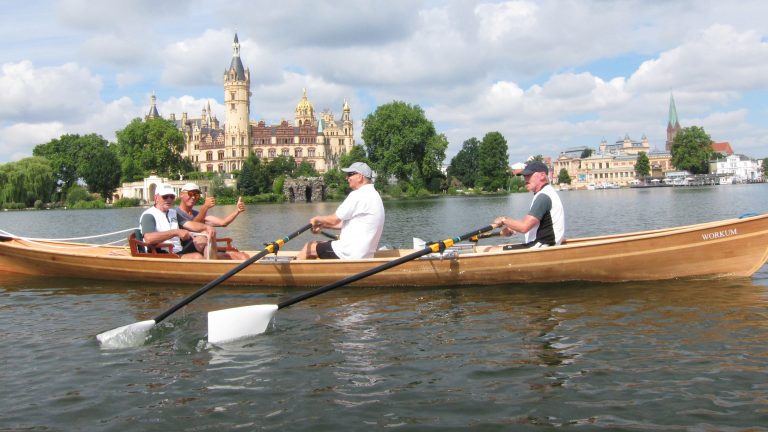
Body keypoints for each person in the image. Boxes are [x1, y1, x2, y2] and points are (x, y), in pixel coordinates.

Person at [297, 162, 385, 260]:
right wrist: (322, 225)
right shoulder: (374, 195)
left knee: (309, 247)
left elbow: (334, 220)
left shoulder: (358, 195)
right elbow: (343, 223)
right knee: (318, 247)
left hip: (349, 253)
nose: (346, 178)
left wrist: (317, 219)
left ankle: (291, 273)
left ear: (360, 176)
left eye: (349, 174)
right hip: (365, 254)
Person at [485, 160, 565, 251]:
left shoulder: (543, 196)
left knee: (490, 250)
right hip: (545, 245)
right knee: (491, 249)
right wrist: (513, 228)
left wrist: (503, 220)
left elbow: (524, 227)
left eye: (529, 175)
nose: (525, 179)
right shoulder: (547, 192)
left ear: (542, 175)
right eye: (524, 175)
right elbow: (534, 224)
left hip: (543, 247)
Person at [139, 183, 217, 259]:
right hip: (161, 253)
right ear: (156, 198)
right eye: (165, 197)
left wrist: (207, 227)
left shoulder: (173, 213)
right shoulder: (149, 215)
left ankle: (213, 265)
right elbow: (149, 238)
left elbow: (190, 224)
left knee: (205, 236)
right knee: (197, 257)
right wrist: (175, 232)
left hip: (178, 251)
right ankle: (210, 267)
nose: (169, 199)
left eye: (172, 197)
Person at [175, 182, 249, 260]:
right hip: (187, 251)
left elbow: (223, 223)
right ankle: (212, 264)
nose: (193, 197)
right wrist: (205, 207)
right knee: (205, 233)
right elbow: (194, 226)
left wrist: (237, 211)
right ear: (181, 194)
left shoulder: (197, 213)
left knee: (242, 257)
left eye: (196, 195)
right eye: (190, 194)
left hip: (205, 249)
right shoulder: (175, 214)